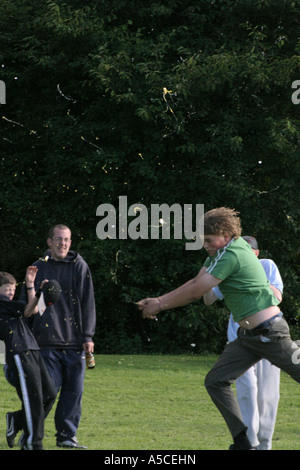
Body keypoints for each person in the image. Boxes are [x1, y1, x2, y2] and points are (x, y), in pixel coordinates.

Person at [138, 207, 300, 450]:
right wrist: (160, 300)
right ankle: (242, 442)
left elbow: (195, 293)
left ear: (225, 234)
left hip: (271, 334)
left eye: (209, 240)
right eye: (203, 240)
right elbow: (195, 283)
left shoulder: (232, 254)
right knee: (215, 381)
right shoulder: (219, 253)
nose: (205, 245)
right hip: (247, 339)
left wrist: (160, 304)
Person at [203, 235, 283, 450]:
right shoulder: (229, 267)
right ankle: (249, 443)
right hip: (240, 339)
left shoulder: (267, 265)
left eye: (247, 251)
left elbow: (277, 296)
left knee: (267, 395)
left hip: (269, 335)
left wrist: (251, 280)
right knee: (246, 390)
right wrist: (212, 275)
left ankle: (264, 445)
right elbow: (208, 298)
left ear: (256, 253)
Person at [21, 224, 96, 449]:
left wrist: (88, 335)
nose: (62, 243)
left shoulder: (79, 266)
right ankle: (30, 434)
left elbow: (88, 302)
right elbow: (29, 309)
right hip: (45, 341)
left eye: (66, 240)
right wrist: (40, 292)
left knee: (74, 393)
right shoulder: (37, 267)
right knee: (46, 394)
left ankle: (66, 436)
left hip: (75, 342)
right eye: (58, 239)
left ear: (70, 243)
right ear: (49, 242)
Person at [0, 267, 56, 450]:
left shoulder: (12, 306)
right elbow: (28, 309)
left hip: (33, 350)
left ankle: (16, 421)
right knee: (33, 400)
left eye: (13, 289)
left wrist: (46, 293)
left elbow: (35, 310)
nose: (11, 292)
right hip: (17, 355)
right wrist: (33, 286)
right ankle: (33, 444)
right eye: (7, 288)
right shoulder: (1, 304)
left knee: (48, 395)